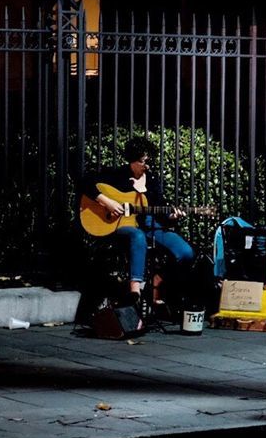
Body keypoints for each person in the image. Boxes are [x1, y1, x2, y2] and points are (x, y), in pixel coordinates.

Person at [77, 135, 196, 318]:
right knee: (137, 236)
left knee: (186, 253)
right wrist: (107, 202)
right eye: (142, 162)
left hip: (150, 225)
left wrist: (172, 215)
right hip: (122, 226)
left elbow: (161, 208)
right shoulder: (116, 175)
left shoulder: (152, 180)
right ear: (132, 160)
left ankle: (157, 282)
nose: (146, 166)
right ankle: (136, 292)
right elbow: (84, 183)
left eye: (148, 161)